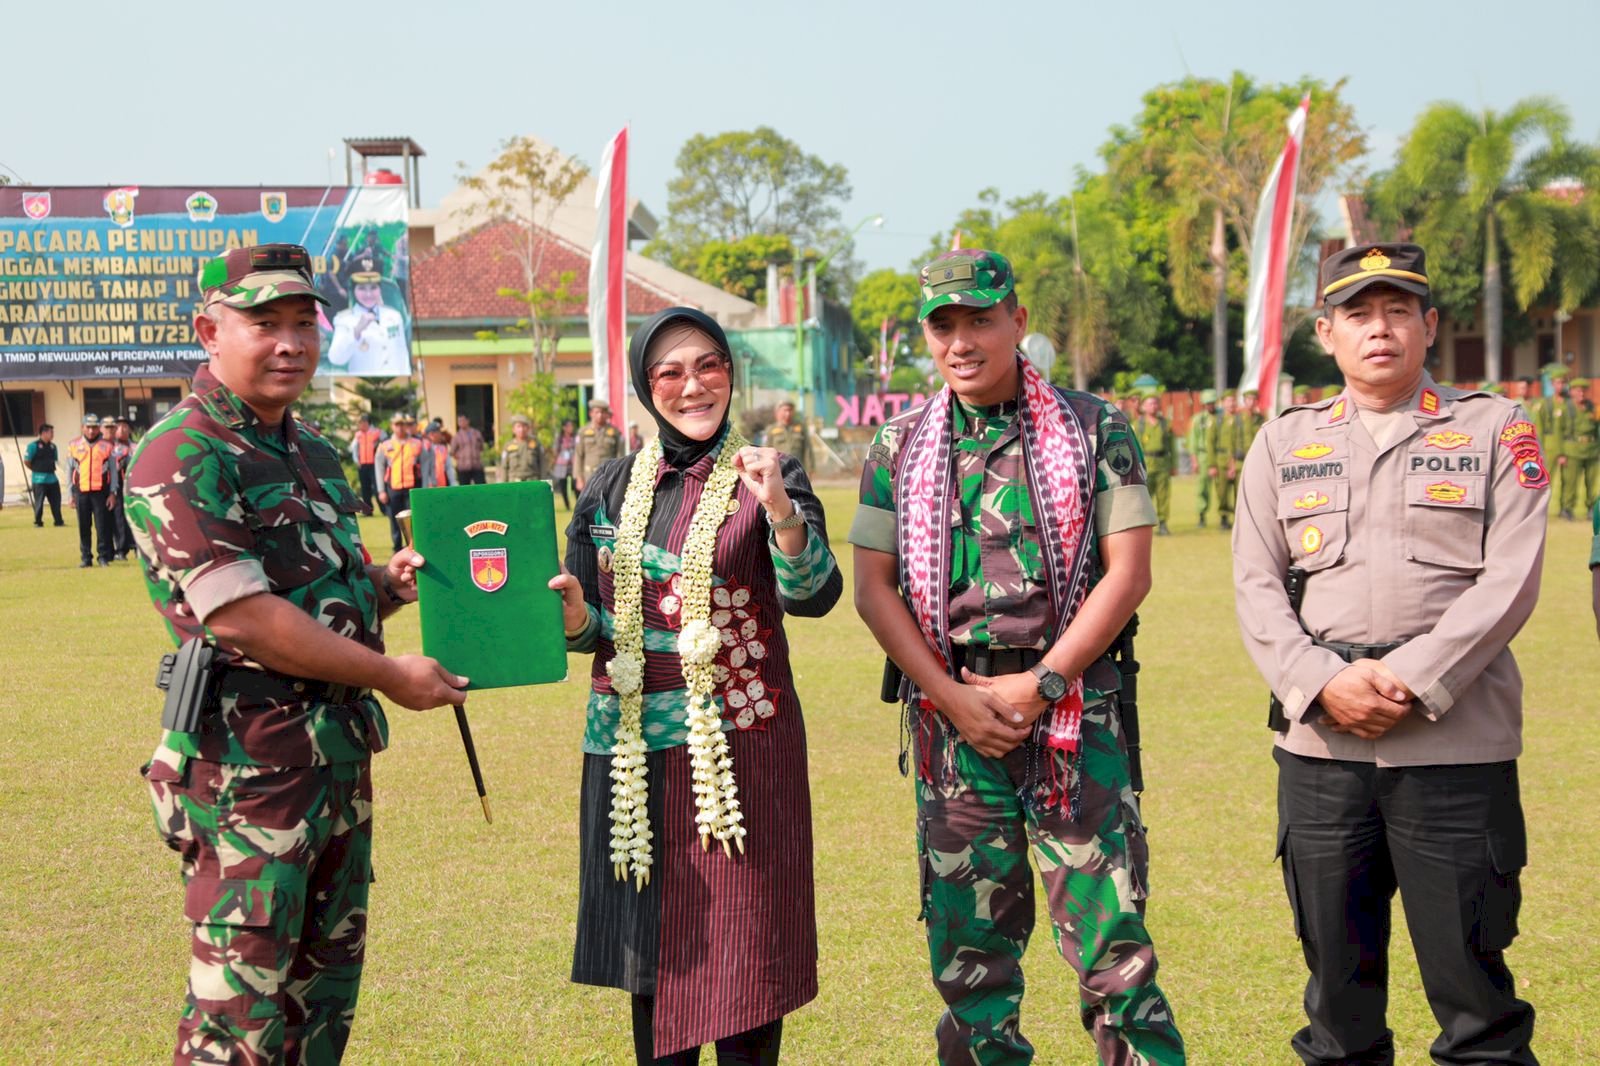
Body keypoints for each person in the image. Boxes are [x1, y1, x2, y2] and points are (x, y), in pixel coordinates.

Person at [125, 243, 467, 1065]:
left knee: (320, 1011)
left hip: (337, 771)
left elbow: (309, 596)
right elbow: (242, 617)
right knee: (237, 1028)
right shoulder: (182, 453)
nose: (290, 342)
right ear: (209, 329)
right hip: (249, 779)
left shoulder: (312, 451)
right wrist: (392, 675)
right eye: (262, 322)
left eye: (302, 322)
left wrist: (383, 585)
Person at [851, 249, 1184, 1065]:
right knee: (971, 964)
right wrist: (951, 698)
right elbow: (872, 587)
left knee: (1114, 951)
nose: (961, 341)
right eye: (944, 325)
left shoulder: (1094, 426)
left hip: (1074, 714)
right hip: (953, 717)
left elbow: (1129, 572)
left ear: (1017, 322)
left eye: (980, 320)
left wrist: (1042, 685)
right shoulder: (897, 445)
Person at [1232, 243, 1546, 1066]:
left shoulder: (1495, 429)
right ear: (1327, 333)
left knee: (1476, 998)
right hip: (1322, 750)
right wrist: (1324, 681)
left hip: (1453, 747)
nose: (1381, 330)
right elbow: (1256, 586)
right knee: (1338, 999)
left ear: (1429, 326)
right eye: (1360, 314)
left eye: (1399, 310)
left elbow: (1509, 581)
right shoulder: (1282, 444)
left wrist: (1404, 679)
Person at [549, 305, 842, 1064]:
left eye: (708, 364)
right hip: (633, 755)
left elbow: (813, 594)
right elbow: (585, 629)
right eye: (669, 372)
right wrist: (577, 616)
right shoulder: (610, 486)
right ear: (648, 388)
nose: (692, 385)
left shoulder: (767, 474)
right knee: (653, 952)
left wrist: (778, 508)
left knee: (748, 951)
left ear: (730, 372)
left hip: (743, 751)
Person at [326, 257, 409, 375]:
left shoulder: (394, 316)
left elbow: (402, 355)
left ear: (380, 289)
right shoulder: (344, 320)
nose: (368, 294)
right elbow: (336, 359)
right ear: (353, 290)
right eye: (362, 288)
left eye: (373, 287)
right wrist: (356, 332)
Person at [67, 413, 118, 567]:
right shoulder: (74, 445)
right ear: (83, 427)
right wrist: (70, 494)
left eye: (94, 427)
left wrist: (113, 493)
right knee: (84, 526)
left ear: (98, 428)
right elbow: (69, 471)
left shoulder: (107, 446)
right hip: (81, 491)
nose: (91, 431)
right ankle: (86, 558)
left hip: (100, 492)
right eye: (88, 427)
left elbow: (114, 472)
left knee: (102, 526)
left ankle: (103, 556)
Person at [374, 412, 423, 551]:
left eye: (402, 424)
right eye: (397, 424)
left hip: (412, 487)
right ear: (392, 426)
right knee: (395, 519)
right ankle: (396, 548)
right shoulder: (385, 445)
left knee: (413, 519)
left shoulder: (416, 444)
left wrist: (425, 487)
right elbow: (379, 468)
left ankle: (413, 547)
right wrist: (381, 490)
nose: (400, 428)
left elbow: (425, 467)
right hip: (393, 488)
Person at [1552, 377, 1597, 520]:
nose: (1581, 393)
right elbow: (1558, 433)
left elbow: (1597, 428)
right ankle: (1567, 508)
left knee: (1592, 482)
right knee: (1570, 482)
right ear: (1572, 392)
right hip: (1571, 450)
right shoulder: (1565, 408)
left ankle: (1591, 508)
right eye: (1578, 391)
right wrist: (1560, 454)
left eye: (1584, 391)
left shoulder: (1592, 407)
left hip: (1591, 449)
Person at [1136, 392, 1176, 536]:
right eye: (1149, 404)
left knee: (1163, 495)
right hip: (1146, 463)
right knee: (1145, 496)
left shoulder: (1165, 423)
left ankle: (1163, 524)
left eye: (1155, 403)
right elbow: (1135, 447)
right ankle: (1143, 524)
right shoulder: (1139, 425)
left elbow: (1172, 446)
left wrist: (1174, 465)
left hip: (1162, 463)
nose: (1153, 406)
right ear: (1143, 407)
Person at [1216, 391, 1254, 530]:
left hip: (1239, 461)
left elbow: (1247, 440)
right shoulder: (1218, 420)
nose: (1231, 403)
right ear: (1223, 403)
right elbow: (1211, 442)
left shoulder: (1242, 419)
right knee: (1222, 492)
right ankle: (1224, 517)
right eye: (1228, 401)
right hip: (1222, 461)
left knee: (1241, 492)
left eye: (1233, 400)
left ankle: (1240, 519)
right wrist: (1211, 464)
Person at [574, 398, 624, 491]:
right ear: (591, 414)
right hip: (589, 475)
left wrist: (619, 475)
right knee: (590, 503)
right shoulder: (583, 432)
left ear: (607, 415)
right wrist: (579, 477)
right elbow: (578, 455)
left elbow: (620, 456)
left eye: (602, 412)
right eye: (597, 412)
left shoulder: (615, 432)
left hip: (609, 475)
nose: (600, 415)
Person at [1189, 390, 1219, 529]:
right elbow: (1193, 441)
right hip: (1203, 456)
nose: (1210, 405)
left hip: (1219, 454)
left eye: (1212, 403)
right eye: (1208, 403)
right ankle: (1201, 515)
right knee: (1203, 487)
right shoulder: (1198, 419)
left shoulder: (1221, 417)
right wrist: (1194, 460)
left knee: (1222, 487)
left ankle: (1224, 516)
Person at [25, 422, 64, 527]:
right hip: (39, 479)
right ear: (44, 433)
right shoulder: (33, 446)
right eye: (51, 432)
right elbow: (27, 461)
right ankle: (38, 521)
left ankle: (58, 521)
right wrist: (36, 469)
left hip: (52, 478)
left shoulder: (53, 447)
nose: (52, 434)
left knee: (56, 501)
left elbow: (55, 460)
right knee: (39, 502)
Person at [110, 417, 137, 558]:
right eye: (119, 426)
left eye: (125, 426)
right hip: (119, 486)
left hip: (136, 486)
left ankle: (138, 546)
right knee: (119, 518)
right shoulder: (112, 448)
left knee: (137, 515)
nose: (122, 429)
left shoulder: (136, 446)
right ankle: (121, 549)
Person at [761, 400, 812, 472]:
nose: (788, 413)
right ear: (778, 412)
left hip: (797, 469)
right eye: (785, 410)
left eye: (790, 410)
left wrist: (810, 468)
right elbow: (765, 451)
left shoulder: (801, 427)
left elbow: (807, 449)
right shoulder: (771, 430)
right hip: (779, 470)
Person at [350, 413, 385, 510]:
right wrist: (356, 460)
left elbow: (386, 442)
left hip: (374, 464)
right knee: (365, 488)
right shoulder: (358, 435)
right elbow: (353, 448)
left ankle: (384, 509)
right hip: (363, 465)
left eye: (361, 423)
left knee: (378, 486)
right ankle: (368, 509)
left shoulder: (377, 432)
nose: (359, 425)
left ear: (366, 423)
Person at [500, 414, 546, 483]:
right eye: (518, 426)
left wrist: (543, 482)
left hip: (532, 481)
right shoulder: (508, 446)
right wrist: (504, 485)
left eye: (524, 426)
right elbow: (504, 467)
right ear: (513, 429)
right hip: (514, 482)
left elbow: (542, 464)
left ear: (528, 428)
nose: (521, 429)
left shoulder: (536, 443)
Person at [451, 414, 487, 485]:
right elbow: (452, 451)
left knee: (481, 487)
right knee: (464, 490)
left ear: (468, 421)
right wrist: (461, 458)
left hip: (477, 466)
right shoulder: (457, 436)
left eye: (462, 420)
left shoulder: (476, 433)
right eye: (459, 421)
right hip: (463, 468)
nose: (461, 423)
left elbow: (482, 447)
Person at [552, 418, 578, 509]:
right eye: (569, 426)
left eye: (572, 426)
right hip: (562, 466)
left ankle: (578, 504)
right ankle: (567, 505)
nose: (571, 428)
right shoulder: (559, 438)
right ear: (564, 428)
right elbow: (555, 450)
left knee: (576, 485)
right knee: (563, 486)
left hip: (573, 464)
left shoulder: (576, 437)